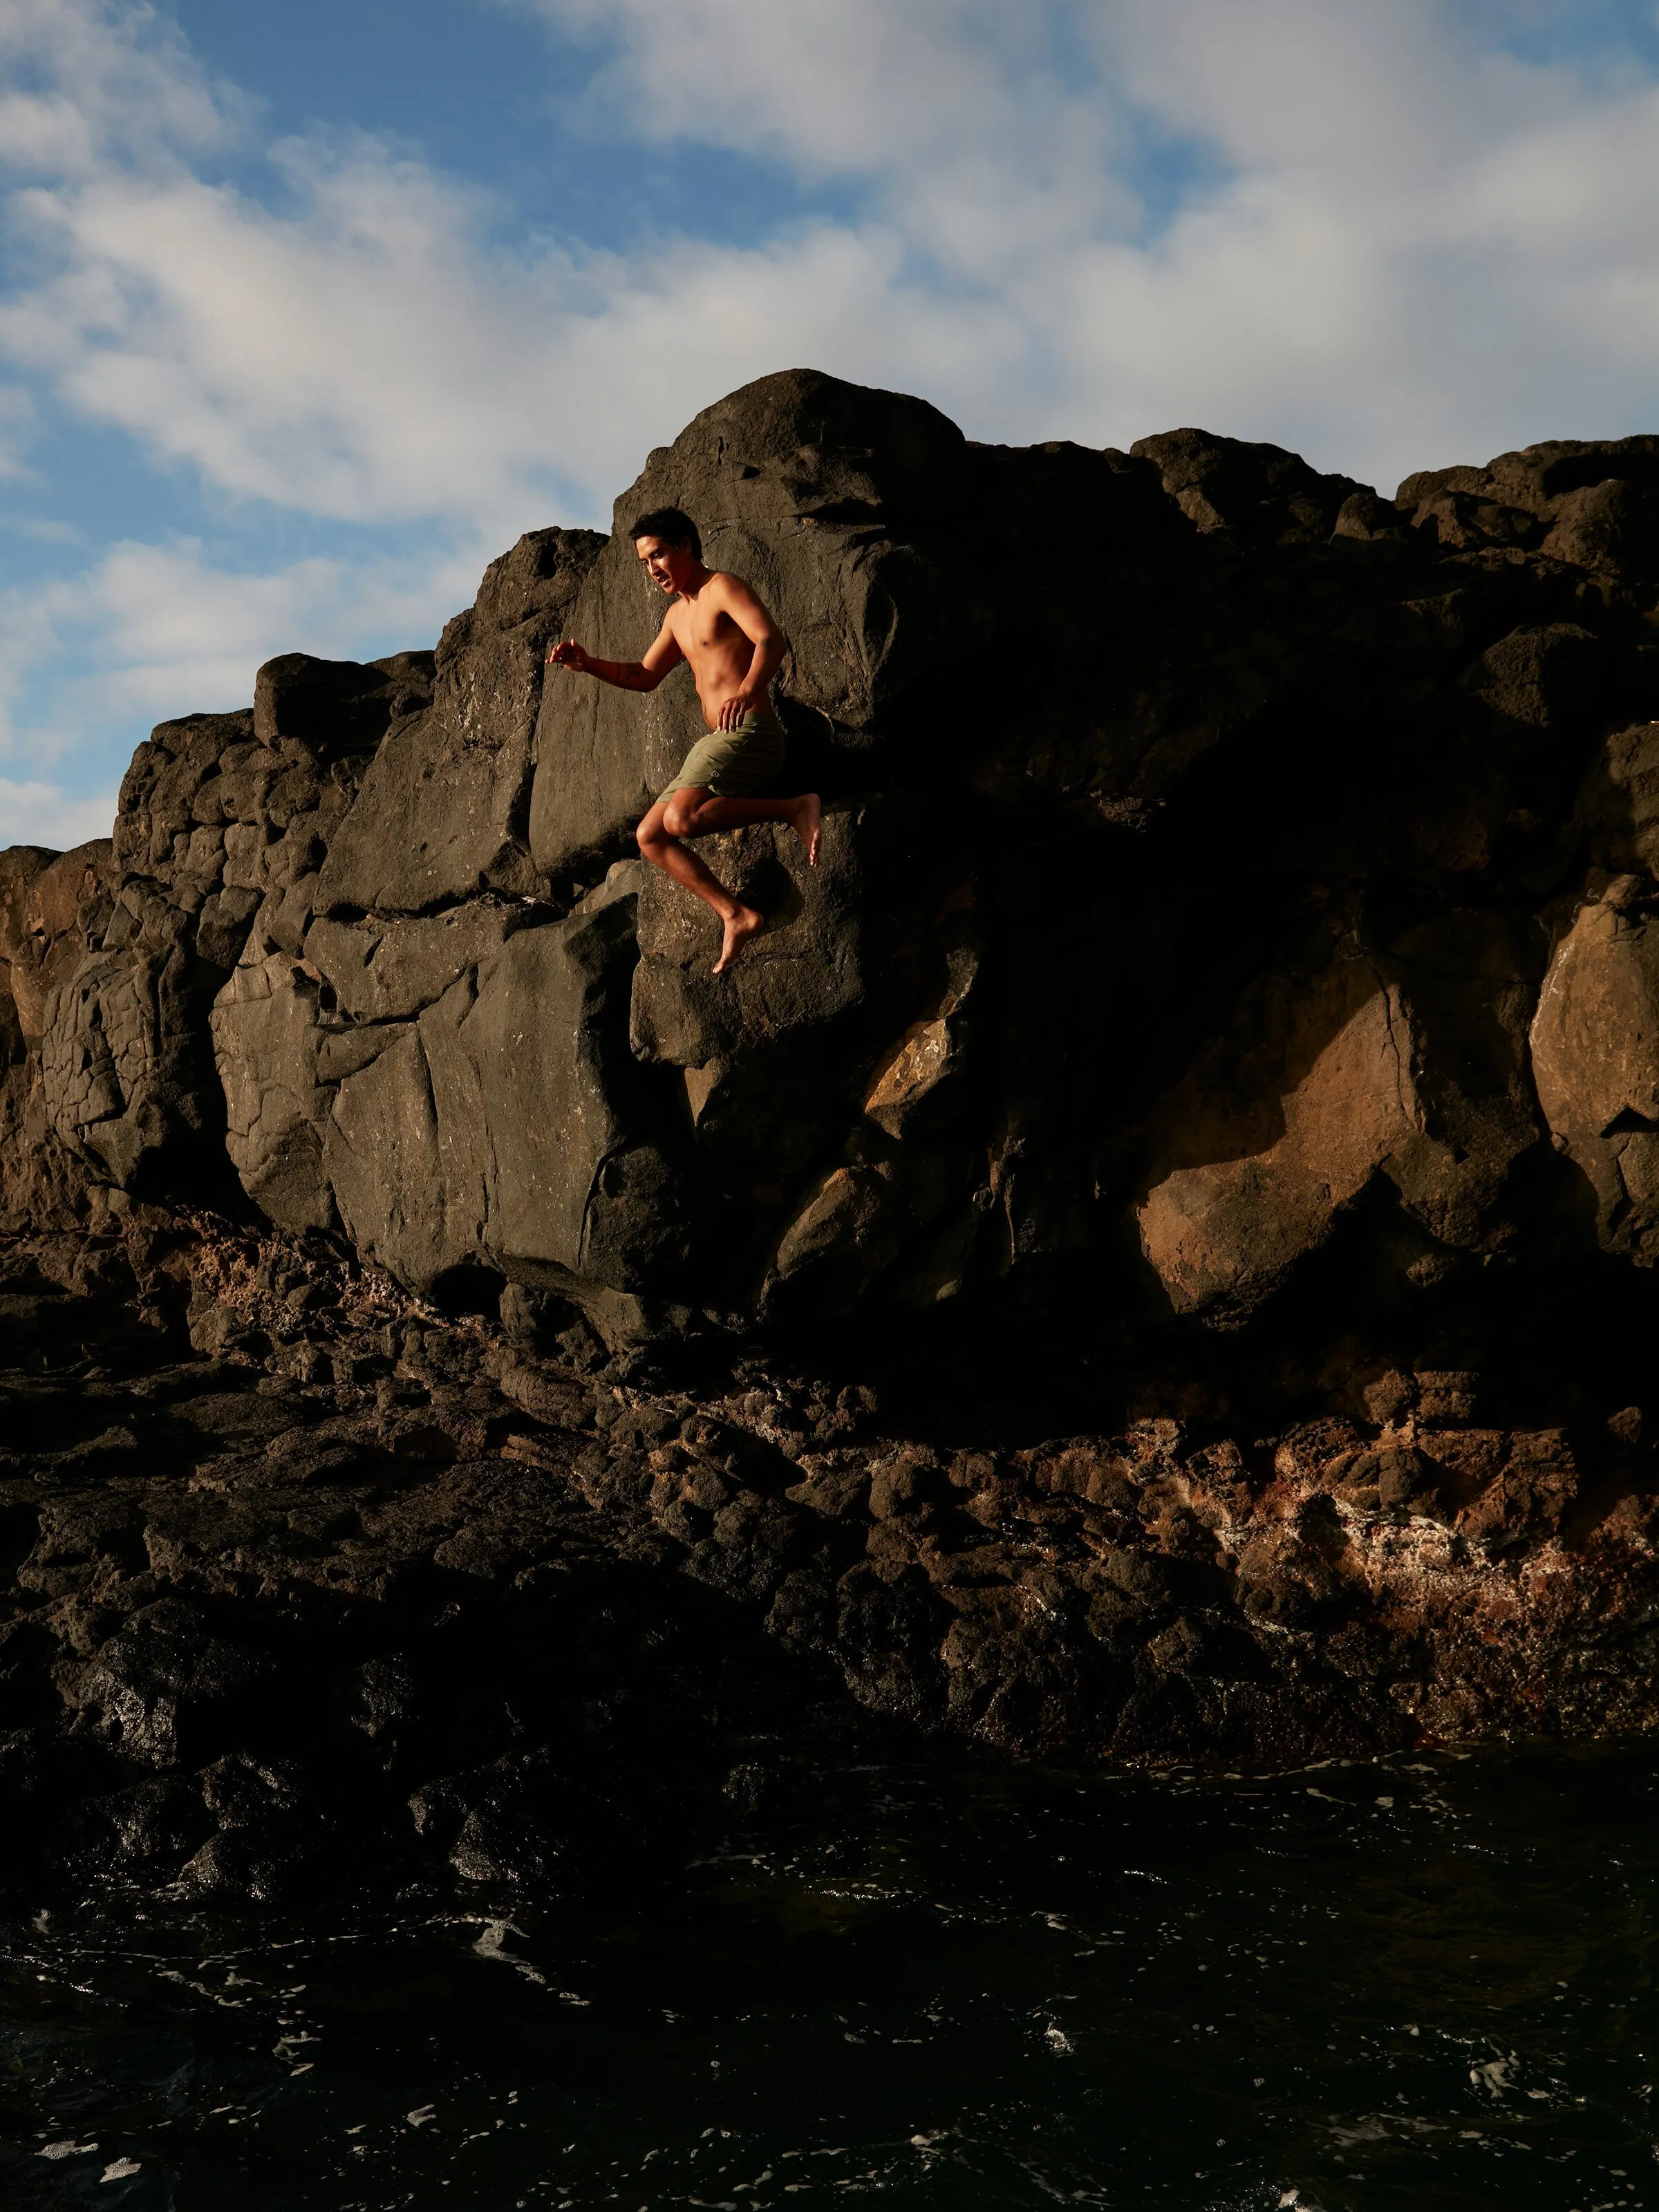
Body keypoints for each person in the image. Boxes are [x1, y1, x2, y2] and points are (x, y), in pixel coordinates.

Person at [545, 508, 822, 974]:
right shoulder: (677, 616)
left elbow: (770, 640)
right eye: (644, 562)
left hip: (751, 731)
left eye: (659, 554)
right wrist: (587, 663)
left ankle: (795, 807)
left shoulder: (723, 589)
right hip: (715, 742)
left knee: (680, 818)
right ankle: (736, 913)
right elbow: (645, 675)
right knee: (650, 836)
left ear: (687, 546)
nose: (653, 569)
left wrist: (750, 689)